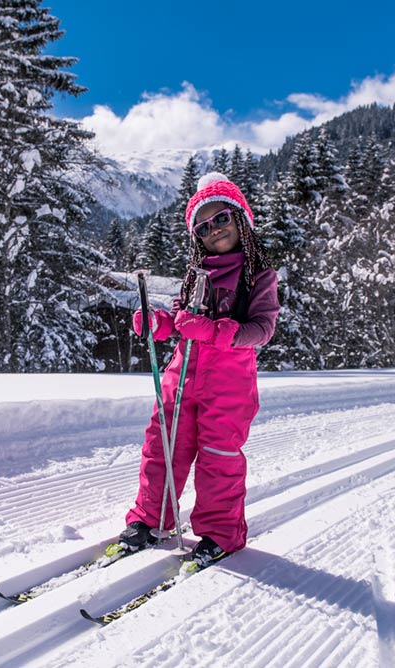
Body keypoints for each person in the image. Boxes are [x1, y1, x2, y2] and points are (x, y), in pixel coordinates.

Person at [119, 172, 280, 568]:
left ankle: (220, 533)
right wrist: (157, 323)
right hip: (182, 372)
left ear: (241, 218)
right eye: (203, 227)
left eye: (221, 219)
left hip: (228, 381)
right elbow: (180, 319)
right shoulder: (196, 274)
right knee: (163, 447)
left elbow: (262, 330)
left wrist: (213, 330)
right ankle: (151, 519)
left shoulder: (258, 275)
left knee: (218, 455)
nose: (214, 230)